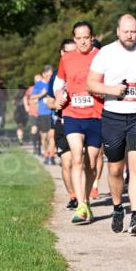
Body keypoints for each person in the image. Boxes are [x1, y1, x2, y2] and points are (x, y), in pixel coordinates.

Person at [87, 14, 136, 236]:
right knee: (115, 168)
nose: (130, 35)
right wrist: (112, 90)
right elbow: (90, 83)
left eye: (133, 31)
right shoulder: (106, 53)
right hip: (113, 116)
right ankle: (117, 208)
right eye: (126, 31)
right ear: (118, 31)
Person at [54, 21, 103, 223]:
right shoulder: (67, 58)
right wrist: (59, 95)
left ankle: (87, 201)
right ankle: (81, 205)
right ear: (74, 39)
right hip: (72, 113)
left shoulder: (101, 56)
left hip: (96, 114)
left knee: (91, 164)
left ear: (92, 37)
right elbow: (58, 83)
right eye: (79, 38)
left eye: (86, 37)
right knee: (76, 157)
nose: (82, 41)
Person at [46, 39, 77, 208]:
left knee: (81, 161)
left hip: (81, 121)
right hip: (62, 121)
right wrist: (56, 104)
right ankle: (73, 196)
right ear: (62, 53)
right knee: (67, 162)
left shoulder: (84, 70)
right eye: (69, 52)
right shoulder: (56, 77)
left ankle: (83, 195)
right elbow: (49, 102)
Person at [32, 66, 55, 164]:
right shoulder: (39, 84)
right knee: (44, 137)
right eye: (48, 75)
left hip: (52, 113)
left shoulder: (54, 83)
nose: (50, 77)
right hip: (43, 113)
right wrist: (42, 94)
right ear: (43, 74)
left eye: (51, 75)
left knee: (52, 136)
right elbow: (32, 97)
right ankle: (46, 155)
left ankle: (52, 156)